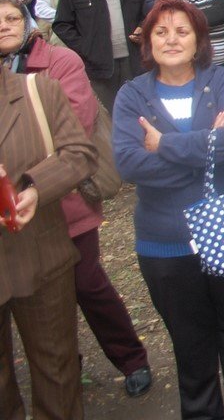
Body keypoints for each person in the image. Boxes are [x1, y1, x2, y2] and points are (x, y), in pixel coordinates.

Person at [113, 0, 224, 419]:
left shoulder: (222, 79)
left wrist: (163, 144)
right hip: (166, 246)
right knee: (191, 347)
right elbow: (129, 164)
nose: (172, 40)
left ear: (199, 39)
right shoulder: (132, 95)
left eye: (182, 31)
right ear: (148, 40)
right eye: (161, 32)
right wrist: (205, 149)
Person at [1, 0, 154, 400]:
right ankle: (64, 363)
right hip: (9, 222)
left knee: (86, 283)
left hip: (63, 199)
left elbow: (75, 122)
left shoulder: (58, 62)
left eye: (11, 19)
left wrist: (23, 176)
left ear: (27, 23)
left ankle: (130, 357)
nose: (4, 27)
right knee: (32, 296)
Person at [0, 63, 96, 420]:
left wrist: (35, 189)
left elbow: (79, 153)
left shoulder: (37, 90)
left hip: (41, 257)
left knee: (57, 376)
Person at [53, 0, 145, 110]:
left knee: (137, 108)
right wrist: (86, 48)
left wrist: (143, 27)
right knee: (109, 112)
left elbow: (145, 12)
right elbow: (62, 25)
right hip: (100, 67)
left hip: (133, 61)